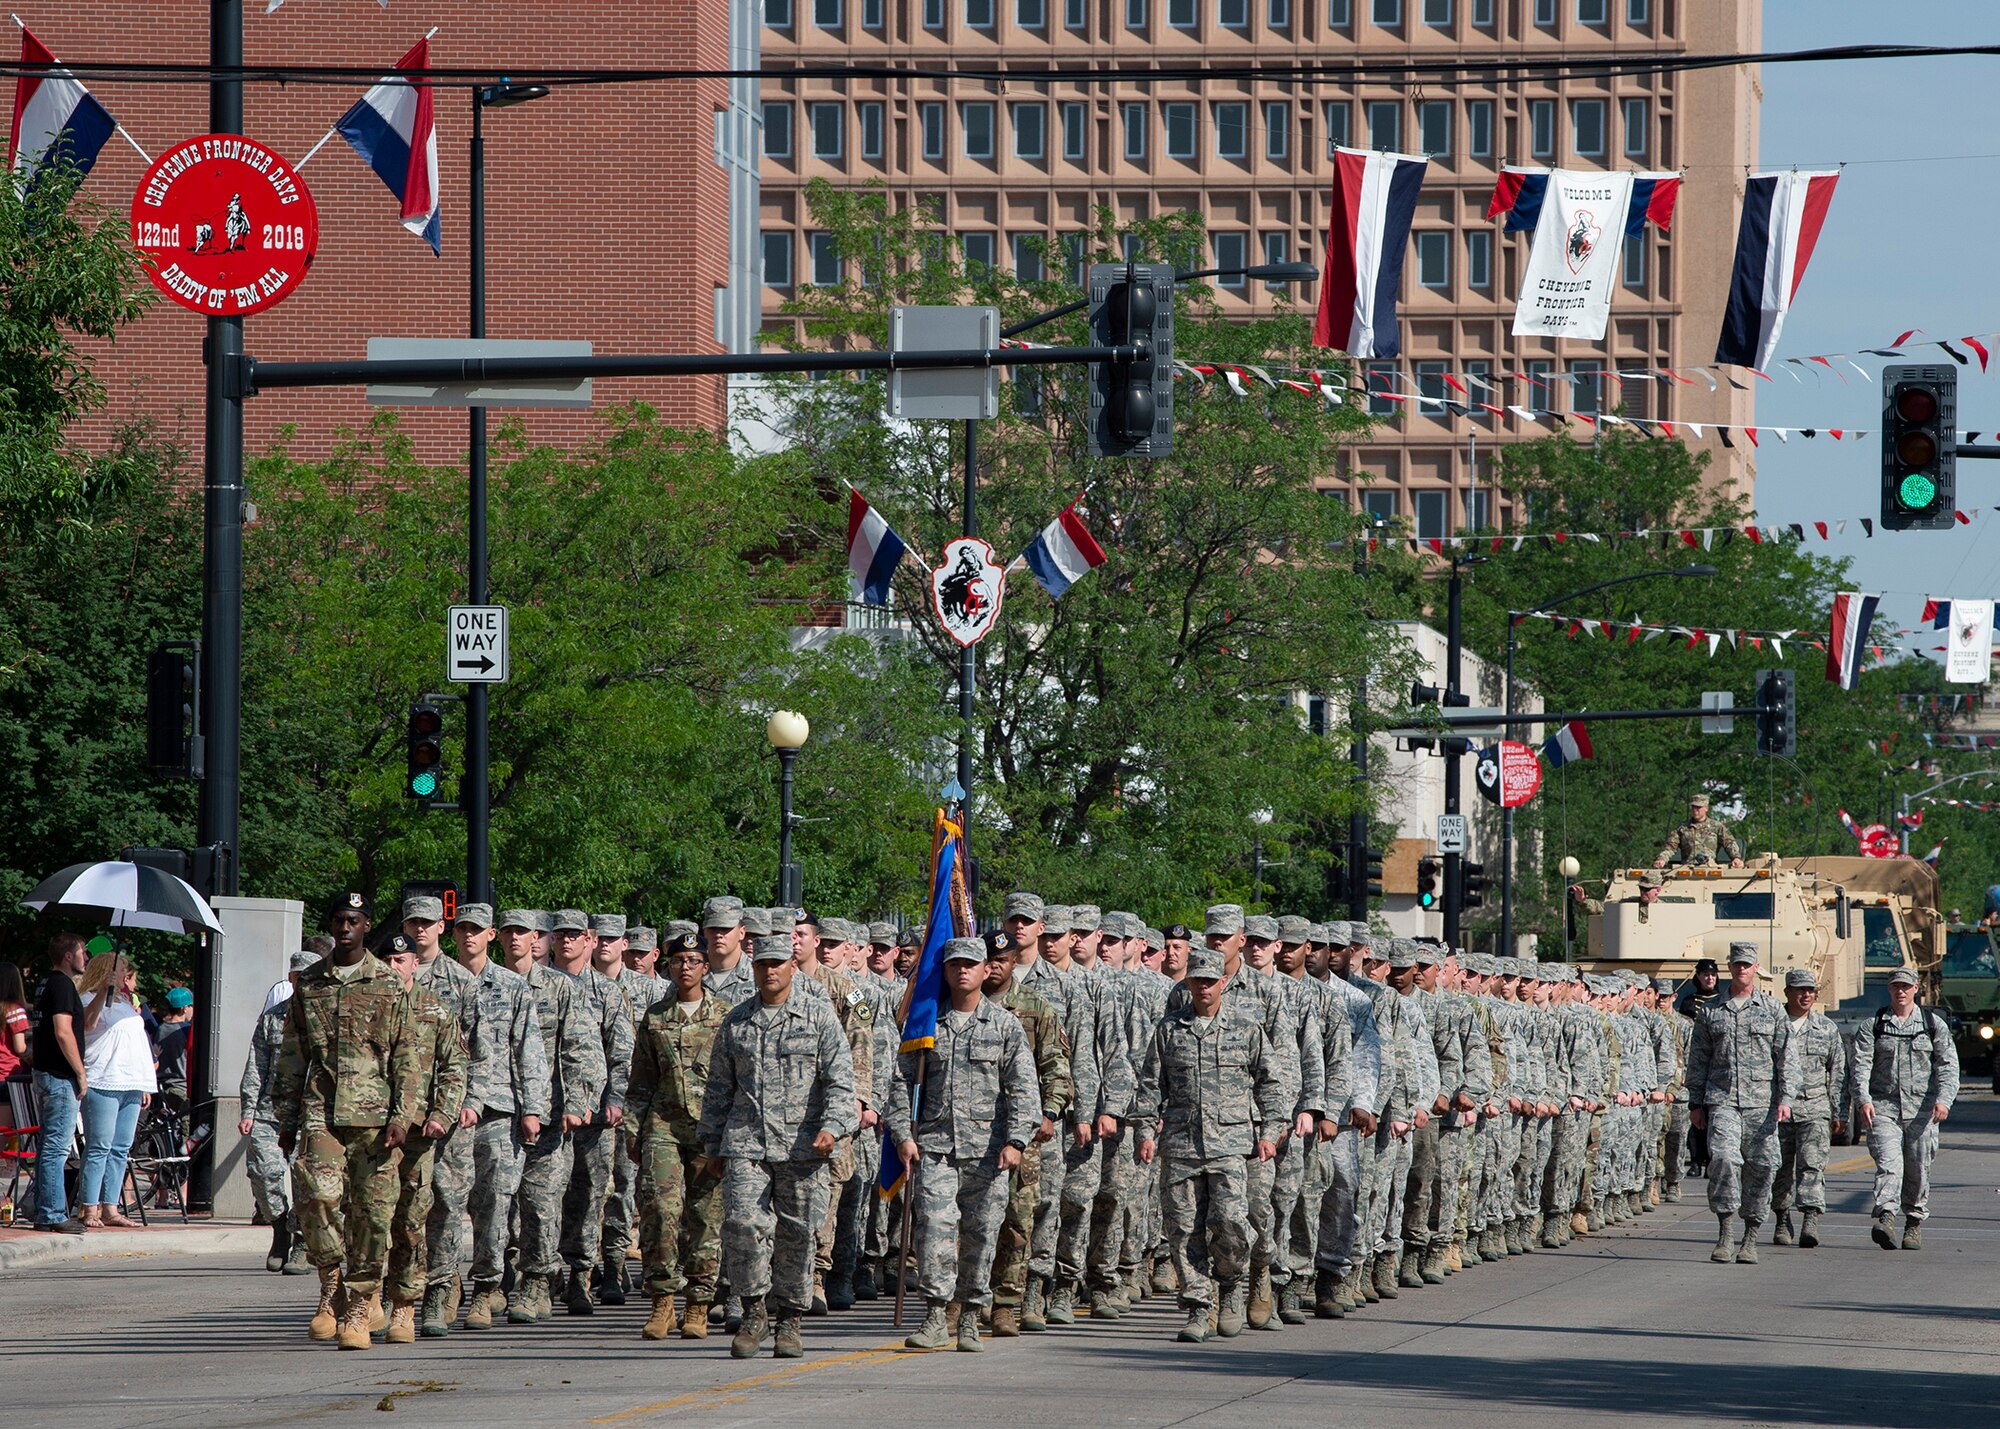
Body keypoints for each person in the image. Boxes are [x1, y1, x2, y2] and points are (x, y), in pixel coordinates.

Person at [271, 893, 423, 1349]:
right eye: (338, 921)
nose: (344, 929)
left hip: (376, 1115)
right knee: (315, 1197)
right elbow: (294, 1052)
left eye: (353, 921)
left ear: (365, 926)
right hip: (322, 1107)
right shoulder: (312, 983)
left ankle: (360, 1306)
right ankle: (331, 1280)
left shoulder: (388, 983)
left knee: (375, 1216)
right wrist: (285, 1117)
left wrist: (403, 1115)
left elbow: (406, 1055)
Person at [698, 932, 858, 1360]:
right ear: (753, 969)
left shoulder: (818, 1016)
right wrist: (713, 1143)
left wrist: (834, 1126)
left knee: (799, 1235)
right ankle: (753, 1311)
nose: (769, 971)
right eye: (761, 964)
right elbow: (718, 1088)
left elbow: (841, 1080)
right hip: (746, 1142)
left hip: (805, 1147)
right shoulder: (736, 1022)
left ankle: (789, 1319)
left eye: (777, 964)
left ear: (791, 966)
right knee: (742, 1226)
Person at [889, 935, 1040, 1353]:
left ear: (984, 969)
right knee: (934, 1230)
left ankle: (971, 1315)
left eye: (970, 964)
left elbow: (1024, 1090)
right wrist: (903, 1134)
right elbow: (900, 1084)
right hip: (935, 1147)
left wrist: (1016, 1141)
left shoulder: (1004, 1026)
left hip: (988, 1152)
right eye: (954, 965)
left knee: (981, 1235)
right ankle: (936, 1315)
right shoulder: (924, 1024)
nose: (962, 971)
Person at [1133, 945, 1287, 1343]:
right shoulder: (1169, 1029)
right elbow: (1150, 1086)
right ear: (1188, 982)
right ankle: (1199, 1307)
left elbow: (1271, 1084)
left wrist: (1270, 1132)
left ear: (1223, 983)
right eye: (1196, 980)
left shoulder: (1246, 1028)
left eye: (1210, 981)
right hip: (1181, 1145)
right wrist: (1145, 1133)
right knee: (1184, 1230)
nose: (1203, 988)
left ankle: (1232, 1284)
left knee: (1231, 1223)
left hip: (1230, 1145)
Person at [435, 903, 548, 1336]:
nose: (468, 936)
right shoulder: (437, 982)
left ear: (490, 935)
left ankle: (487, 1285)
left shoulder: (510, 986)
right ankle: (445, 1284)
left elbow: (529, 1049)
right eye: (461, 928)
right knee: (445, 1203)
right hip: (445, 1111)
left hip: (499, 1108)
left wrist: (533, 1108)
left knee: (495, 1204)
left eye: (476, 930)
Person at [627, 927, 731, 1341]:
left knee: (706, 1217)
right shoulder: (655, 1017)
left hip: (710, 1131)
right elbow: (640, 1081)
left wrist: (730, 1134)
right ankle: (662, 1302)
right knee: (660, 1213)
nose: (684, 968)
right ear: (666, 966)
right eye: (676, 961)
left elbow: (737, 1079)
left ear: (705, 967)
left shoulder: (725, 1016)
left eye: (692, 961)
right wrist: (633, 1132)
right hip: (663, 1127)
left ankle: (699, 1306)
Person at [382, 934, 470, 1345]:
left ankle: (419, 1298)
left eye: (401, 959)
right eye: (387, 960)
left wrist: (442, 1113)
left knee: (415, 1218)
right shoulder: (368, 1007)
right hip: (372, 1130)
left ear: (415, 964)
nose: (393, 966)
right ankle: (373, 1296)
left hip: (420, 1132)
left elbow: (455, 1067)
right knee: (370, 1217)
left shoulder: (436, 1010)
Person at [1685, 943, 1795, 1265]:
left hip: (1762, 1106)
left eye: (1747, 964)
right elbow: (1699, 1059)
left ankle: (1750, 1236)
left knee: (1762, 1169)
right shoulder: (1711, 1010)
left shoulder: (1772, 1009)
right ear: (1729, 967)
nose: (1742, 969)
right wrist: (1695, 1102)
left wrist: (1786, 1098)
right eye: (1736, 964)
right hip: (1722, 1102)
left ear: (1756, 967)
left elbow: (1786, 1059)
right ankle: (1724, 1231)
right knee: (1723, 1160)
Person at [1848, 966, 1959, 1250]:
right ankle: (1886, 1216)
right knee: (1889, 1163)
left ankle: (1913, 1221)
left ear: (1916, 989)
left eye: (1906, 986)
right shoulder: (1874, 1025)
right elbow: (1859, 1065)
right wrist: (1863, 1099)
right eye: (1896, 986)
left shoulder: (1932, 1025)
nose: (1901, 991)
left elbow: (1948, 1066)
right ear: (1889, 989)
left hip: (1922, 1111)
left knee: (1918, 1169)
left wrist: (1944, 1100)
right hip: (1883, 1106)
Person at [240, 949, 320, 1273]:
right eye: (297, 977)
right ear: (290, 979)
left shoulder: (328, 1018)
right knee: (262, 1172)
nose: (302, 982)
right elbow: (256, 1064)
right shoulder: (273, 1016)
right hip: (269, 1111)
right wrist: (248, 1108)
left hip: (309, 1113)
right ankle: (279, 1228)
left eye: (308, 977)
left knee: (305, 1180)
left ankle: (301, 1241)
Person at [76, 951, 158, 1228]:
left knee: (121, 1147)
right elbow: (88, 1023)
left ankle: (111, 1206)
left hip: (131, 1081)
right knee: (99, 1145)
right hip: (103, 1079)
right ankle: (89, 1207)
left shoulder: (125, 1002)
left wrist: (144, 1083)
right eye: (121, 969)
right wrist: (102, 991)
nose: (125, 974)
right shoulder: (87, 997)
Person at [1771, 968, 1844, 1249]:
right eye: (1800, 990)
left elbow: (1838, 1072)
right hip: (1778, 1110)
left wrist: (1838, 1111)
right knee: (1778, 1168)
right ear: (1787, 992)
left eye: (1811, 991)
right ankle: (1781, 1217)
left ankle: (1810, 1218)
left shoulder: (1826, 1028)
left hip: (1814, 1108)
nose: (1806, 995)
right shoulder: (1773, 1024)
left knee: (1812, 1165)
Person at [29, 933, 89, 1233]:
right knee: (56, 1147)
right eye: (83, 952)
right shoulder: (63, 985)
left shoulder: (45, 984)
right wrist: (80, 1072)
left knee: (48, 1147)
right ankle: (52, 1213)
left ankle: (44, 1211)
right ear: (68, 955)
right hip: (59, 1077)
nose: (87, 957)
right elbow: (63, 1031)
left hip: (44, 1074)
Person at [1653, 792, 1744, 869]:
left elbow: (1729, 843)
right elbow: (1670, 847)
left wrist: (1736, 858)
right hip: (1686, 870)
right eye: (1693, 807)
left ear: (1706, 808)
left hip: (1710, 869)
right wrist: (1662, 859)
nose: (1695, 810)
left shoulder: (1717, 826)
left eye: (1698, 807)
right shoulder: (1683, 828)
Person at [154, 987, 194, 1101]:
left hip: (160, 1087)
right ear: (184, 1008)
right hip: (181, 1087)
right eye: (191, 1006)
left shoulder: (159, 1029)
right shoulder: (187, 1030)